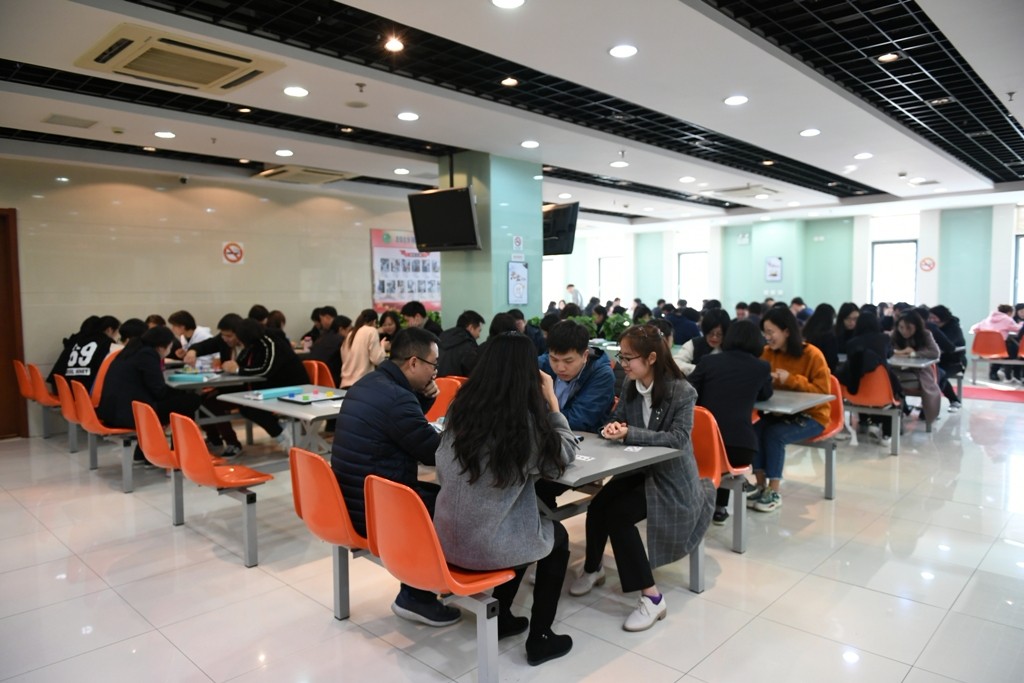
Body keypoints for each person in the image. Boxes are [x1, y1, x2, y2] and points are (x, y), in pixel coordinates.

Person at [434, 332, 577, 665]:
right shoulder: (522, 424)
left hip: (443, 540)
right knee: (556, 536)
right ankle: (541, 637)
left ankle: (504, 617)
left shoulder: (460, 410)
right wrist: (553, 404)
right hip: (484, 548)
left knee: (524, 526)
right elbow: (563, 455)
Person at [570, 324, 714, 632]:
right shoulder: (631, 384)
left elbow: (678, 439)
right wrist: (612, 427)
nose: (622, 363)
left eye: (628, 358)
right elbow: (618, 416)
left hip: (671, 478)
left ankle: (652, 597)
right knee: (599, 506)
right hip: (637, 469)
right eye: (621, 356)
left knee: (618, 517)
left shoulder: (682, 391)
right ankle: (593, 568)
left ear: (651, 358)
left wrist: (630, 433)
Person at [331, 327, 461, 627]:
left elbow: (404, 428)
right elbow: (432, 453)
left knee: (434, 496)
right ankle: (417, 595)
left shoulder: (369, 383)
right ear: (414, 362)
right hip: (373, 509)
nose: (435, 373)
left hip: (349, 498)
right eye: (433, 366)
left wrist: (422, 401)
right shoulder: (397, 398)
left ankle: (424, 586)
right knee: (449, 504)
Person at [687, 320, 773, 525]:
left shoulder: (708, 362)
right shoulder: (761, 367)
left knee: (716, 438)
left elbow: (688, 392)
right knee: (725, 439)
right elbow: (765, 394)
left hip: (701, 446)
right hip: (740, 449)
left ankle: (703, 505)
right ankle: (719, 508)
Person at [748, 307, 830, 512]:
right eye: (765, 333)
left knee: (775, 435)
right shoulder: (766, 353)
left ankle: (774, 490)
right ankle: (760, 485)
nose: (767, 337)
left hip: (813, 416)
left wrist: (791, 380)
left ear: (786, 331)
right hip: (778, 413)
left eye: (771, 332)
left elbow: (822, 392)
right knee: (754, 432)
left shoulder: (812, 354)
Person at [188, 318, 307, 451]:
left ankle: (281, 434)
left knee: (249, 407)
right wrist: (234, 367)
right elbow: (242, 363)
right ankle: (216, 440)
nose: (226, 339)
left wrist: (237, 369)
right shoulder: (251, 343)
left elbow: (265, 370)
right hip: (263, 385)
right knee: (210, 400)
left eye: (230, 336)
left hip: (287, 387)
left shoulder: (271, 342)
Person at [98, 325, 201, 429]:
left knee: (179, 399)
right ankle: (182, 437)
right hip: (130, 415)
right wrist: (180, 392)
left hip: (110, 413)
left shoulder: (131, 350)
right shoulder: (148, 354)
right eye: (170, 347)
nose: (169, 350)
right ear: (161, 347)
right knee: (192, 399)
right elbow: (159, 391)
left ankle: (170, 435)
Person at [538, 320, 615, 432]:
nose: (560, 368)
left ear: (585, 356)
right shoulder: (541, 365)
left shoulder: (602, 375)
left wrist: (549, 400)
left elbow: (578, 420)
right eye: (554, 359)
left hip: (585, 439)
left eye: (568, 361)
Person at [837, 312, 899, 444]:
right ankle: (886, 434)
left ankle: (868, 422)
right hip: (882, 389)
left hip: (856, 392)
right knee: (894, 391)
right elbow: (889, 354)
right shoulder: (884, 339)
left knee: (861, 379)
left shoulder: (851, 343)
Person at [891, 310, 942, 426]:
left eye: (909, 328)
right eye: (901, 327)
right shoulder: (895, 335)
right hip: (898, 370)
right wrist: (902, 352)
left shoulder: (925, 335)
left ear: (917, 326)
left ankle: (908, 413)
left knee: (895, 383)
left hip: (920, 372)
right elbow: (889, 351)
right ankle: (895, 417)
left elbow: (935, 353)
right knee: (890, 381)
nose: (904, 331)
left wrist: (913, 353)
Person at [48, 314, 120, 393]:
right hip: (83, 390)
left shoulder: (75, 341)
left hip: (62, 388)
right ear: (109, 330)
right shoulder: (106, 343)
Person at [970, 305, 1021, 382]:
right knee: (1014, 350)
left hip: (984, 348)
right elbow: (1018, 329)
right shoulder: (1007, 319)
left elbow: (974, 328)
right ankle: (1011, 375)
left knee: (1006, 350)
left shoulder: (987, 319)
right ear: (1009, 312)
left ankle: (994, 372)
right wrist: (1021, 324)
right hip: (999, 349)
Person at [929, 305, 966, 410]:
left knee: (939, 374)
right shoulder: (932, 328)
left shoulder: (954, 328)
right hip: (936, 361)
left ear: (942, 317)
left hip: (954, 362)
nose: (931, 320)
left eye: (934, 317)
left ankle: (953, 400)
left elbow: (948, 346)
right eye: (930, 317)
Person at [675, 308, 730, 375]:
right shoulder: (694, 344)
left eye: (719, 334)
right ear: (705, 330)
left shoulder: (729, 348)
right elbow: (676, 362)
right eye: (710, 333)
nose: (714, 337)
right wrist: (700, 370)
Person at [341, 309, 386, 389]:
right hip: (363, 384)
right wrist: (383, 346)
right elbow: (377, 359)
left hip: (345, 384)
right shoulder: (371, 330)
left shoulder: (350, 334)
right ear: (374, 321)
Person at [436, 309, 484, 378]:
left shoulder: (440, 338)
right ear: (470, 328)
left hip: (436, 383)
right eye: (479, 331)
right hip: (458, 384)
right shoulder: (468, 345)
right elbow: (475, 374)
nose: (479, 335)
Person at [309, 314, 351, 387]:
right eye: (349, 330)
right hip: (332, 378)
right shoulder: (341, 341)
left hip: (314, 377)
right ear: (341, 329)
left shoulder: (321, 337)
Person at [801, 304, 839, 372]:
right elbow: (832, 359)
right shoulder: (829, 336)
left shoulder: (806, 331)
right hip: (823, 370)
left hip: (806, 368)